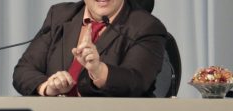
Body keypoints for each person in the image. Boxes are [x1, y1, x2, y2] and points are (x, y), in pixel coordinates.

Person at [13, 0, 167, 97]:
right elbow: (23, 71)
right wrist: (48, 87)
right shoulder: (59, 16)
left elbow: (136, 82)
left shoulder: (146, 26)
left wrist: (99, 71)